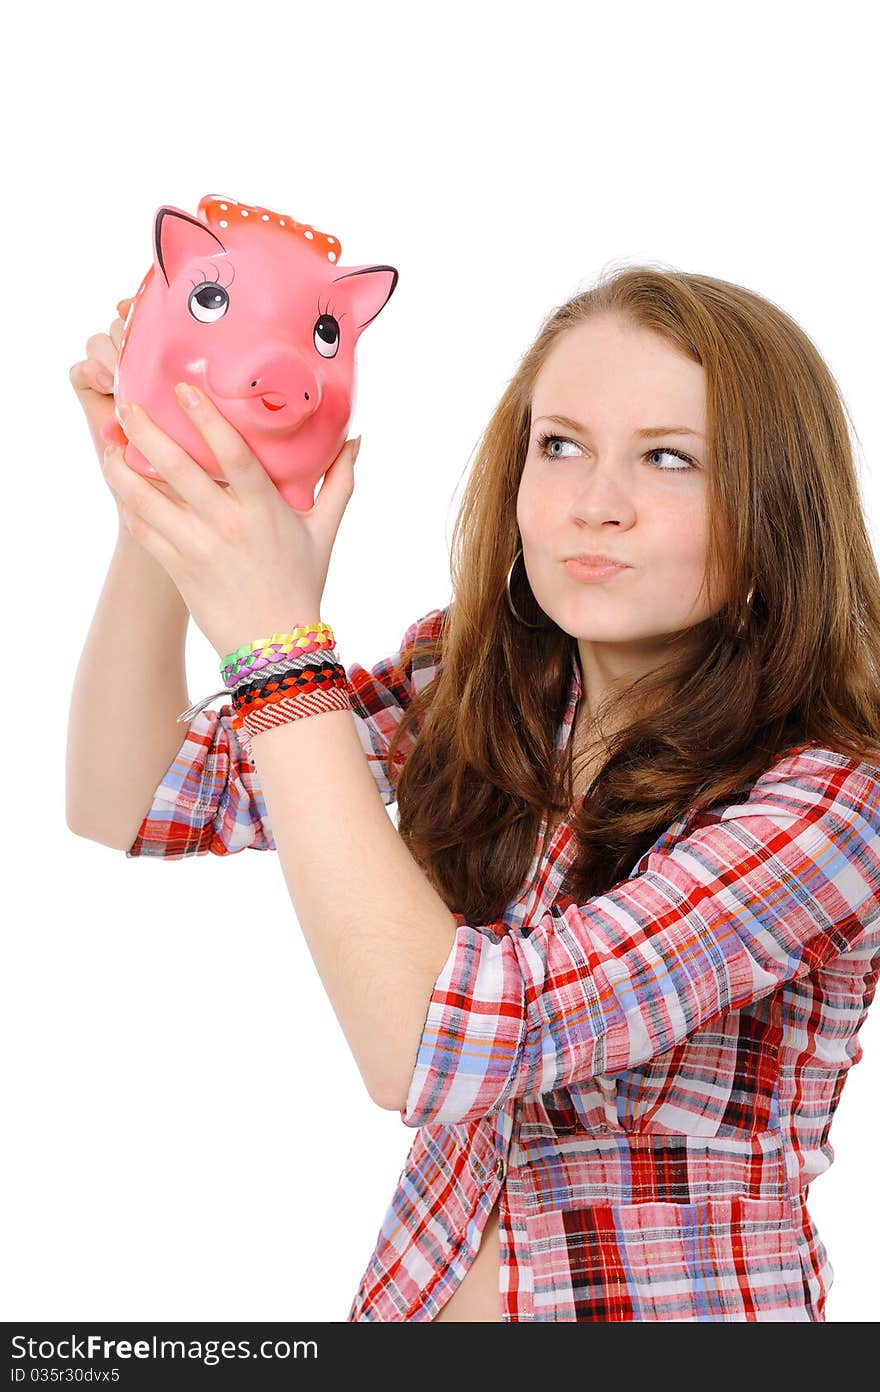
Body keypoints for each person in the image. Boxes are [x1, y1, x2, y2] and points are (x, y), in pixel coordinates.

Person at [67, 265, 880, 1322]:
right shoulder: (479, 677)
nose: (596, 504)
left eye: (669, 460)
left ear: (779, 507)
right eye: (561, 445)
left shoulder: (829, 804)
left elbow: (435, 1043)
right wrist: (165, 512)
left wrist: (278, 649)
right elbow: (129, 796)